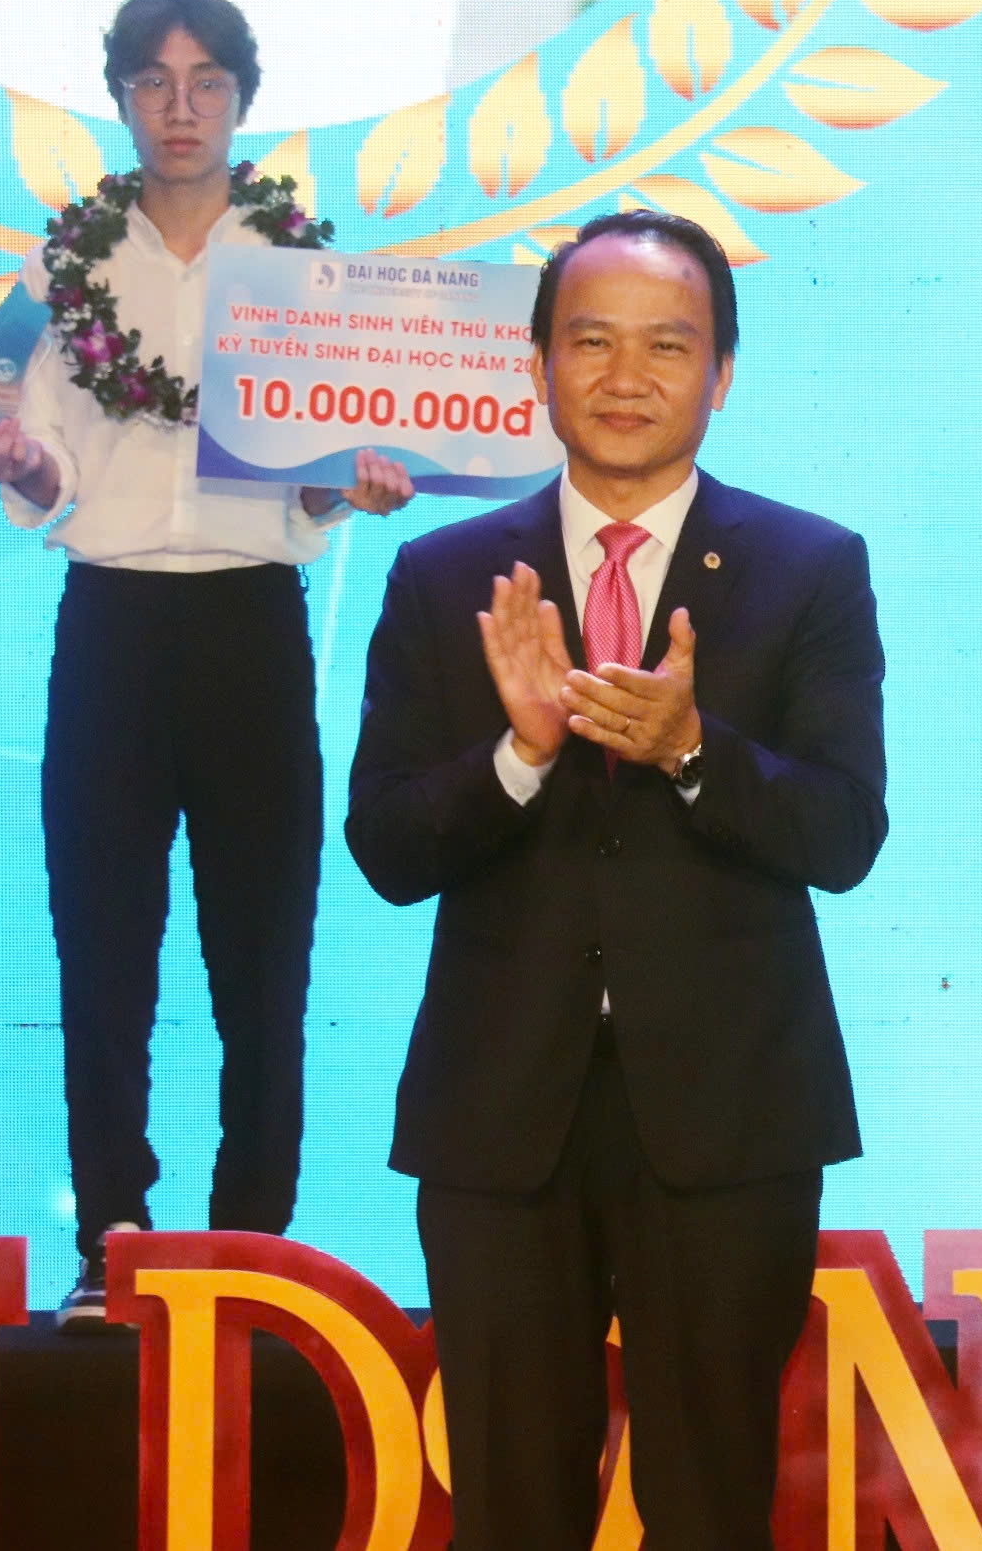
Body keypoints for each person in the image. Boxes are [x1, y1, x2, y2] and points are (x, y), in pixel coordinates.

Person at [344, 209, 886, 1550]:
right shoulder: (445, 576)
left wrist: (694, 747)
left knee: (710, 1504)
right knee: (512, 1507)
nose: (627, 373)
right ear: (536, 364)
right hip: (498, 1119)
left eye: (668, 343)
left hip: (728, 1118)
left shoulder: (809, 567)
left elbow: (846, 832)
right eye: (591, 339)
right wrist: (521, 755)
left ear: (724, 373)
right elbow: (386, 848)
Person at [0, 0, 412, 1330]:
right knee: (103, 954)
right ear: (119, 97)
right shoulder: (57, 272)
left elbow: (316, 487)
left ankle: (257, 1242)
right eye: (153, 82)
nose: (179, 107)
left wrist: (359, 484)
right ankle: (115, 1239)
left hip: (251, 623)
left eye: (206, 81)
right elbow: (44, 471)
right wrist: (11, 456)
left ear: (243, 100)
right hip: (109, 622)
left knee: (262, 958)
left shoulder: (304, 269)